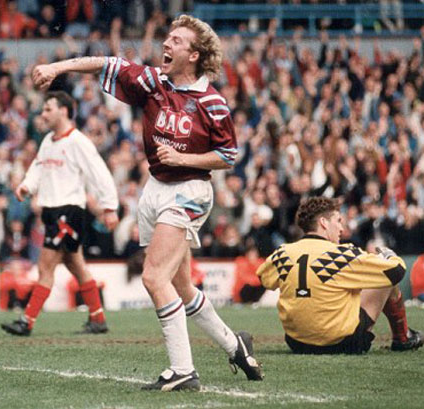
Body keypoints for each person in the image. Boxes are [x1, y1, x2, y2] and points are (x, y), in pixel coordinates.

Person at [31, 15, 263, 390]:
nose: (166, 45)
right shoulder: (154, 82)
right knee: (182, 287)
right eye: (167, 38)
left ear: (195, 54)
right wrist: (58, 67)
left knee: (153, 276)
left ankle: (183, 370)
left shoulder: (213, 102)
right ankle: (234, 345)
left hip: (190, 190)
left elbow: (228, 155)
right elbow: (108, 64)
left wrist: (184, 159)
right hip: (156, 189)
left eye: (176, 40)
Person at [1, 91, 119, 336]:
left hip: (69, 211)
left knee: (46, 266)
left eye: (47, 109)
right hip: (52, 211)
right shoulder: (48, 141)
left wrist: (109, 207)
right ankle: (98, 318)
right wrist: (26, 185)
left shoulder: (78, 141)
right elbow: (37, 168)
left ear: (64, 110)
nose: (43, 114)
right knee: (75, 264)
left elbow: (99, 173)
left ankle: (27, 321)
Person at [256, 197, 424, 355]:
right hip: (342, 343)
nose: (342, 228)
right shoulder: (340, 255)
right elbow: (396, 270)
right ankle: (403, 338)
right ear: (323, 223)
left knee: (341, 287)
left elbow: (264, 278)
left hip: (296, 343)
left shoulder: (283, 253)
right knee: (385, 280)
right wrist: (388, 254)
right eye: (338, 221)